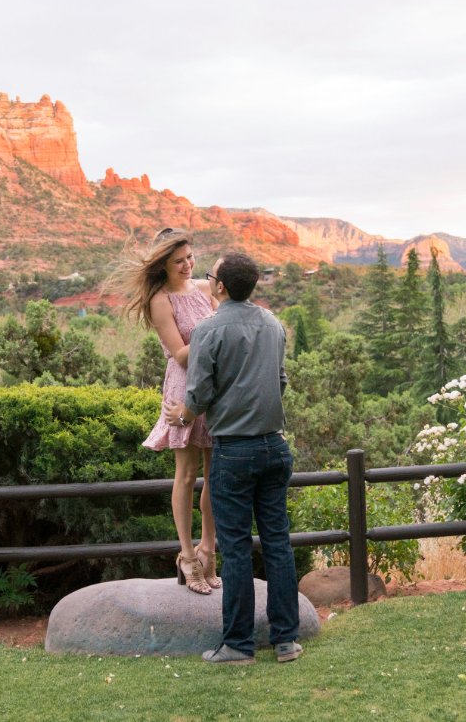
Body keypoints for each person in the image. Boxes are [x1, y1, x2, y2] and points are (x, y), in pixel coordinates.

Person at [164, 252, 302, 665]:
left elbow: (200, 390)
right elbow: (279, 381)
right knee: (278, 543)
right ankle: (286, 641)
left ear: (220, 286)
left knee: (237, 548)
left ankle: (239, 645)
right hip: (275, 447)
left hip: (234, 450)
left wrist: (181, 415)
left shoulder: (208, 330)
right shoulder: (273, 324)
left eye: (209, 277)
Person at [108, 229, 220, 595]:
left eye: (190, 256)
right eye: (179, 261)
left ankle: (208, 550)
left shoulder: (205, 290)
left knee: (215, 475)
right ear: (163, 265)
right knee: (187, 474)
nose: (188, 265)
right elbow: (180, 353)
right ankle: (186, 555)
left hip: (214, 389)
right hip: (184, 388)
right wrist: (214, 327)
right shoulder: (160, 300)